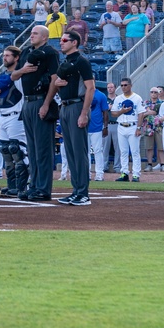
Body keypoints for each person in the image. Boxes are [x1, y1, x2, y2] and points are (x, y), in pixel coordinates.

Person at [11, 25, 60, 202]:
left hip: (41, 100)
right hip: (28, 102)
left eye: (35, 33)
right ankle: (34, 186)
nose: (31, 36)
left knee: (43, 149)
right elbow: (13, 76)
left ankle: (43, 188)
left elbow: (55, 79)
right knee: (32, 149)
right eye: (30, 33)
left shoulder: (50, 52)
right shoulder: (26, 52)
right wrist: (23, 70)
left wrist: (46, 103)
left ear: (45, 37)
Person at [53, 30, 95, 206]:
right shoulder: (66, 62)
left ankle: (83, 193)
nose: (61, 42)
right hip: (65, 106)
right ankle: (75, 190)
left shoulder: (81, 61)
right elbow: (57, 82)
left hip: (77, 106)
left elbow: (90, 87)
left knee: (79, 152)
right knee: (70, 152)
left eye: (65, 40)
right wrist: (56, 84)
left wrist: (84, 113)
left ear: (74, 43)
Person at [0, 48, 29, 198]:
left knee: (17, 150)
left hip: (16, 115)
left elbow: (8, 82)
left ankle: (22, 186)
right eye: (4, 55)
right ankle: (12, 186)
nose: (4, 58)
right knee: (5, 150)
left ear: (17, 57)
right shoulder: (3, 75)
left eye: (8, 56)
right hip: (2, 114)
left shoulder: (20, 75)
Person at [111, 78, 143, 182]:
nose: (123, 87)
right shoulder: (118, 98)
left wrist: (138, 128)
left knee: (135, 151)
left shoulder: (137, 97)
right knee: (123, 151)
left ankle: (136, 174)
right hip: (121, 125)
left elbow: (141, 113)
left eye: (125, 85)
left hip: (133, 125)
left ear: (130, 85)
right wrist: (122, 111)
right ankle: (124, 173)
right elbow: (113, 113)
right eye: (122, 85)